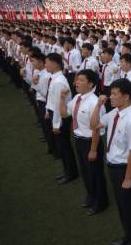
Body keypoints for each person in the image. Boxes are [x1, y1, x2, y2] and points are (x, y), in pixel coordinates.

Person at [90, 79, 131, 245]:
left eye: (114, 94)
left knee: (129, 207)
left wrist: (128, 178)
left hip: (124, 169)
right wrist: (98, 106)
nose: (110, 97)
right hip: (114, 167)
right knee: (124, 206)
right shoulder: (115, 113)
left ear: (127, 97)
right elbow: (94, 125)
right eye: (110, 93)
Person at [59, 69, 108, 215]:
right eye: (76, 79)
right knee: (85, 172)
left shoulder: (95, 103)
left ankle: (101, 203)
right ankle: (91, 196)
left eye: (81, 80)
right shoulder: (77, 98)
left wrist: (93, 149)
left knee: (96, 174)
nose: (76, 83)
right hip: (79, 141)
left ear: (90, 84)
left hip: (90, 142)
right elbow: (64, 114)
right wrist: (62, 99)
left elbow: (96, 129)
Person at [45, 52, 78, 184]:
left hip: (60, 116)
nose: (46, 64)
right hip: (57, 114)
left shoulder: (58, 81)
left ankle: (71, 172)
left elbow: (60, 104)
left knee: (64, 146)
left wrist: (56, 124)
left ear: (55, 63)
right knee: (62, 145)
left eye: (47, 62)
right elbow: (53, 100)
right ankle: (67, 170)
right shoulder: (55, 78)